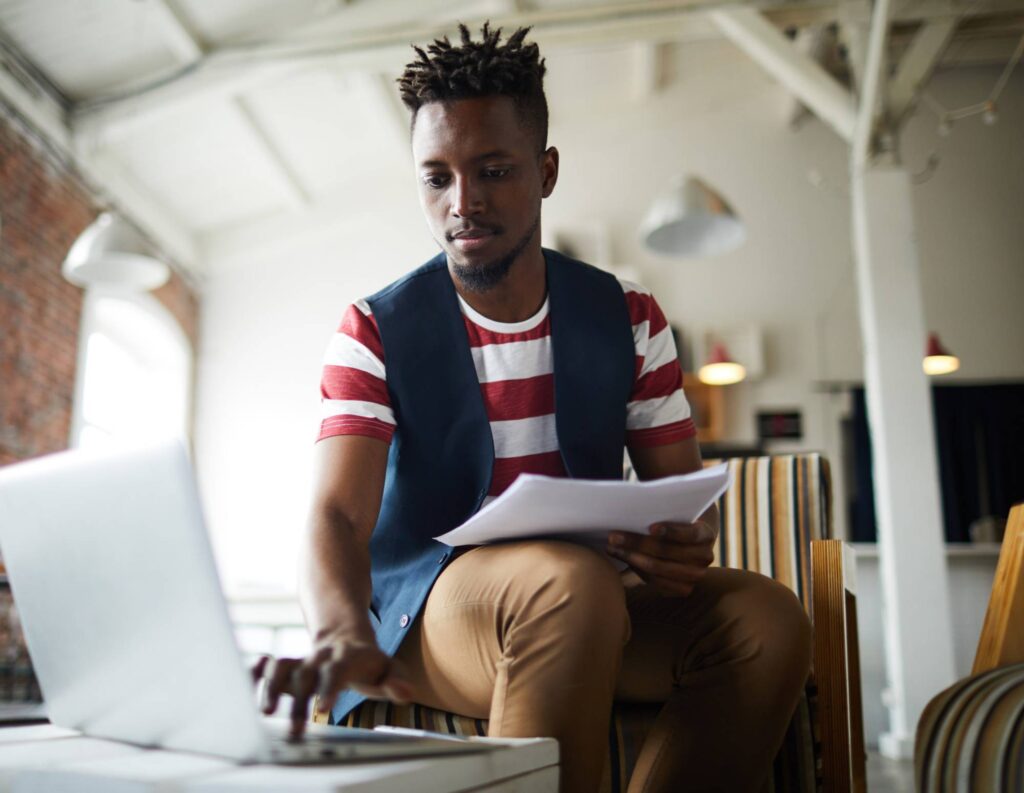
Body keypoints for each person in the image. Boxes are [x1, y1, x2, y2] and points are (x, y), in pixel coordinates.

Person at [258, 23, 811, 793]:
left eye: (492, 171)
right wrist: (340, 630)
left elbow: (681, 505)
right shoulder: (374, 329)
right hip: (431, 618)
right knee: (568, 585)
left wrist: (682, 544)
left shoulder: (630, 318)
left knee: (766, 617)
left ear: (546, 171)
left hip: (592, 606)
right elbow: (336, 517)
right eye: (436, 179)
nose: (463, 204)